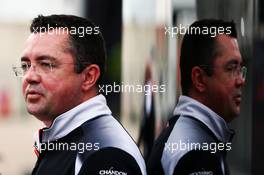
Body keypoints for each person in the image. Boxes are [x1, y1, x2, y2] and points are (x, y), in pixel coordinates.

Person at [13, 14, 146, 175]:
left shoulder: (105, 154)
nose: (29, 76)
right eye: (26, 65)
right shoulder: (66, 138)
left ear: (89, 77)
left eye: (46, 64)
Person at [147, 19, 246, 175]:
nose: (241, 80)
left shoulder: (192, 138)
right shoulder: (196, 152)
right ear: (199, 79)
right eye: (231, 68)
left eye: (241, 69)